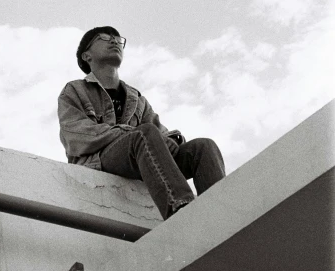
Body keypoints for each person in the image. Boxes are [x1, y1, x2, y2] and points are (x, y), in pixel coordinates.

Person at [57, 26, 225, 220]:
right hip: (98, 161)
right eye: (104, 38)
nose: (114, 41)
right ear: (87, 56)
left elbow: (159, 131)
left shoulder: (136, 98)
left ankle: (221, 218)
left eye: (118, 39)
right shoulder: (75, 90)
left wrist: (169, 140)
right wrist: (130, 133)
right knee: (143, 134)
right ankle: (182, 211)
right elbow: (76, 135)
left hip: (141, 156)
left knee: (203, 147)